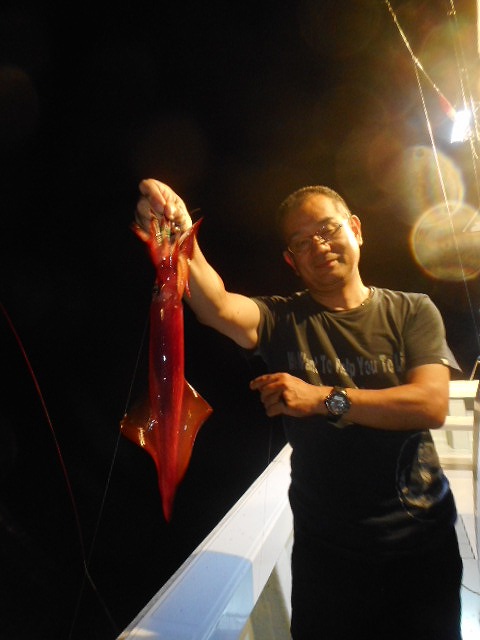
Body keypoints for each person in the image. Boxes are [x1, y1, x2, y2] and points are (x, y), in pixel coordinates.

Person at [135, 179, 463, 640]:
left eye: (327, 230)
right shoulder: (281, 319)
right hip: (327, 556)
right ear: (291, 260)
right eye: (301, 243)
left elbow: (429, 404)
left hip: (420, 543)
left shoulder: (412, 310)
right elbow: (217, 307)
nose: (319, 247)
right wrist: (181, 240)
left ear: (355, 229)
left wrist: (320, 398)